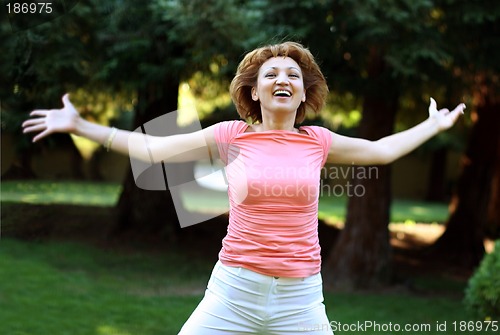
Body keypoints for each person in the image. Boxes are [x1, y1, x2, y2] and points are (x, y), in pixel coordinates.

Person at [22, 41, 465, 334]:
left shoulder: (317, 141)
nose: (282, 80)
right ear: (253, 91)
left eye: (293, 75)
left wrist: (432, 125)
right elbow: (153, 149)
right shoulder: (231, 135)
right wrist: (82, 126)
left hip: (300, 299)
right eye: (271, 74)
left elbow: (381, 150)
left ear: (303, 92)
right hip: (233, 291)